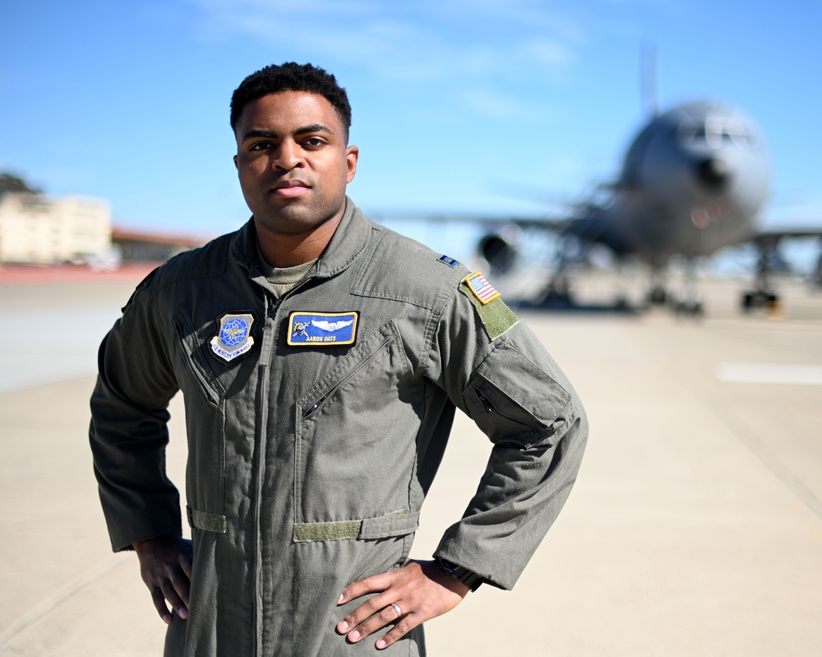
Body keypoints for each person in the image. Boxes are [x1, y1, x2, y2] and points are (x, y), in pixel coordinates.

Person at [89, 62, 588, 656]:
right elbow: (122, 405)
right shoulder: (181, 291)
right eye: (261, 144)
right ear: (240, 164)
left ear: (348, 162)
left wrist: (458, 569)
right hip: (211, 627)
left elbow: (550, 423)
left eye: (312, 140)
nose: (287, 158)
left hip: (351, 632)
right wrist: (149, 533)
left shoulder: (424, 292)